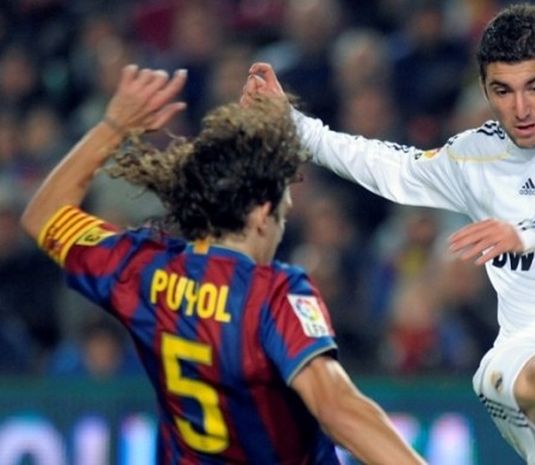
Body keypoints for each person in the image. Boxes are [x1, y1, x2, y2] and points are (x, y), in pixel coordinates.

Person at [243, 3, 535, 465]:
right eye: (503, 90)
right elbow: (387, 165)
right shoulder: (475, 157)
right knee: (513, 369)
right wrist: (295, 124)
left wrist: (526, 233)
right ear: (484, 88)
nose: (520, 108)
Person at [20, 64, 426, 465]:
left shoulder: (143, 271)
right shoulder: (274, 294)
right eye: (283, 207)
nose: (283, 221)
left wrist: (112, 126)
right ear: (260, 212)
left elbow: (43, 216)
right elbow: (337, 406)